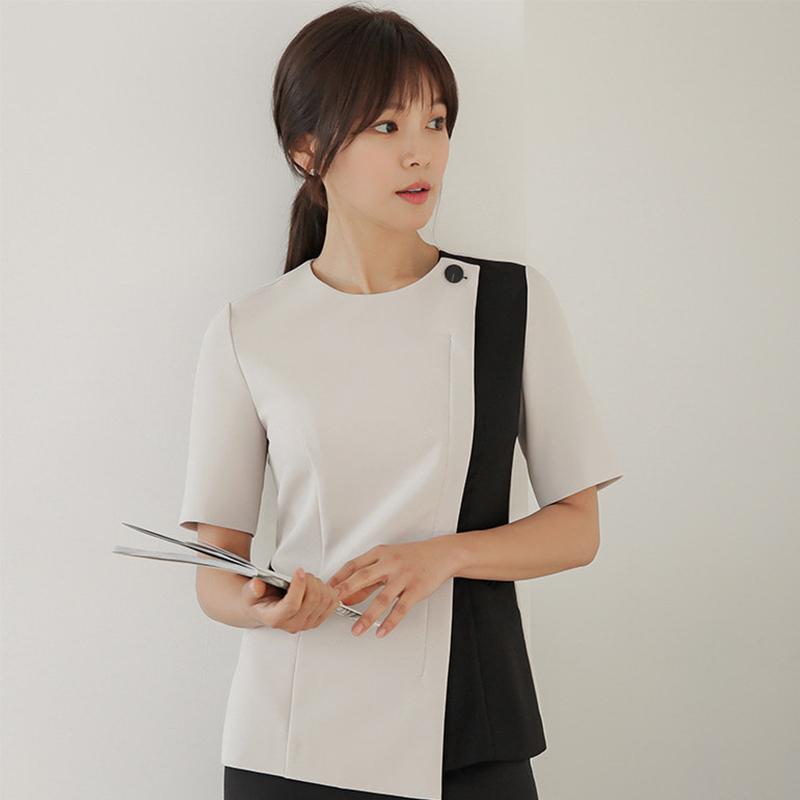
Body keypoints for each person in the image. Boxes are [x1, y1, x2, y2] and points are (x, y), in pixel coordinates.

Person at [178, 4, 623, 800]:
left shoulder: (508, 305)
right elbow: (216, 571)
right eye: (386, 126)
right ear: (306, 149)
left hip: (469, 726)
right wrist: (265, 606)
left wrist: (442, 556)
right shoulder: (250, 330)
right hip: (293, 733)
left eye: (436, 122)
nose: (421, 151)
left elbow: (577, 528)